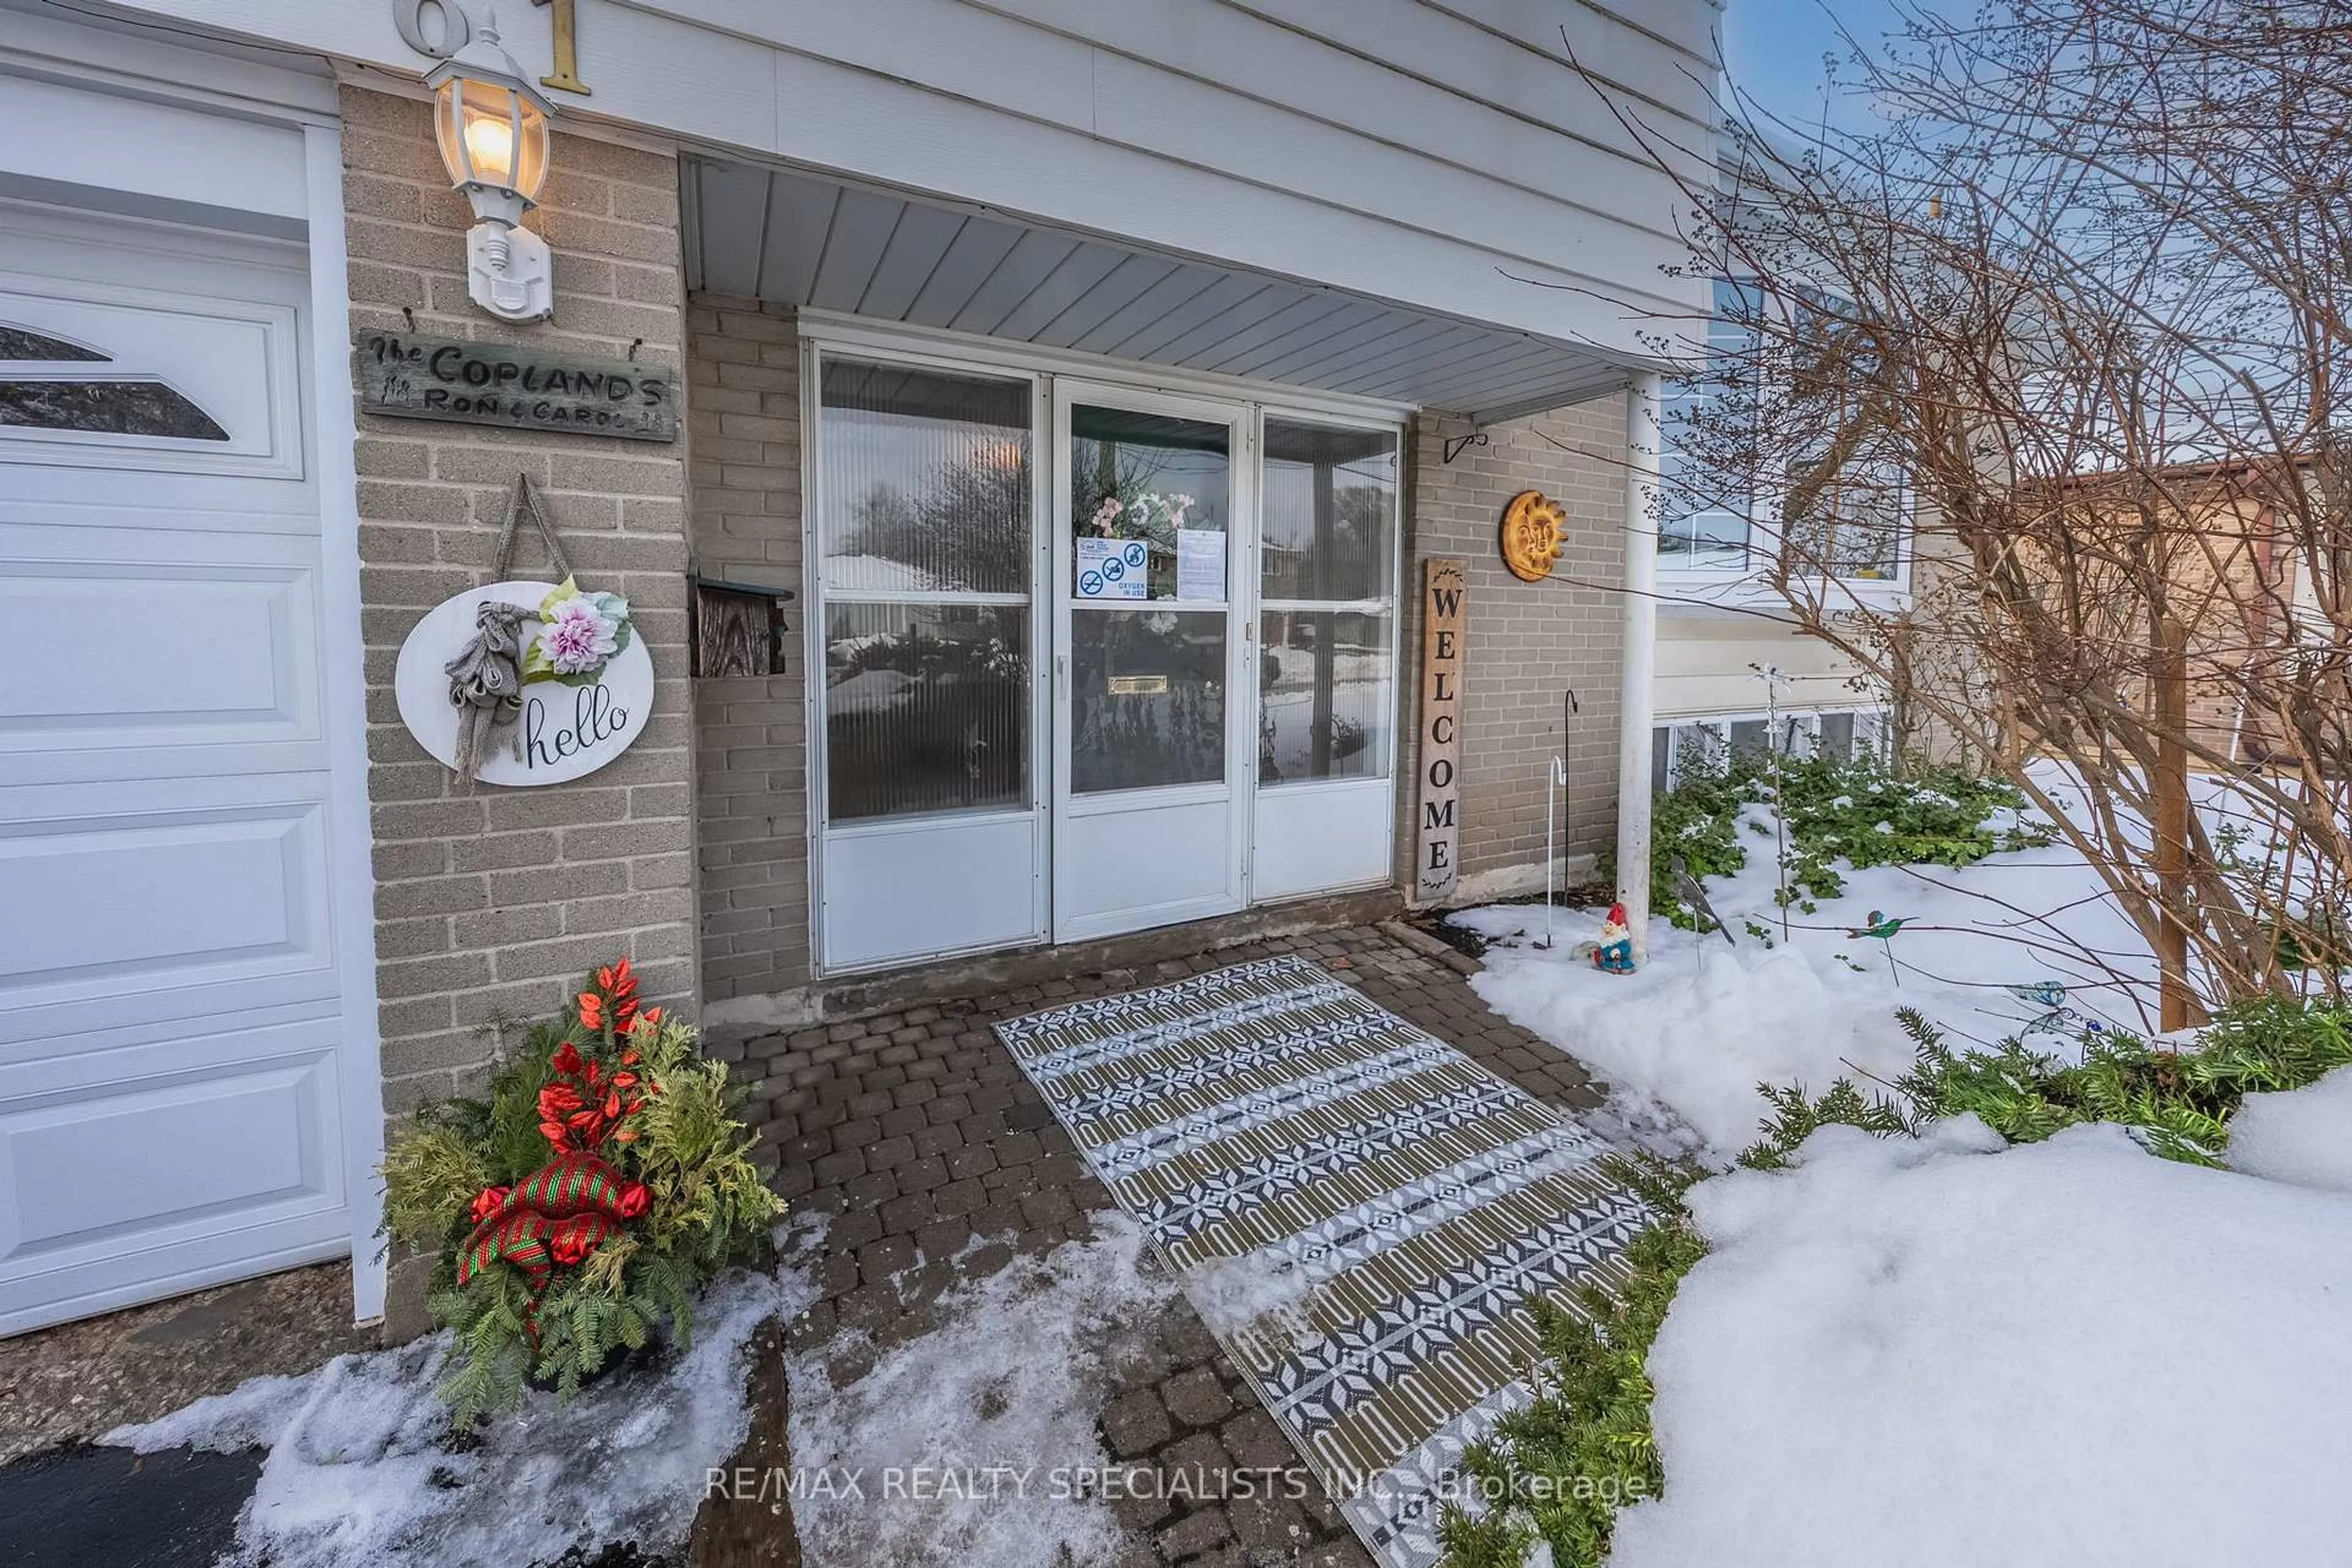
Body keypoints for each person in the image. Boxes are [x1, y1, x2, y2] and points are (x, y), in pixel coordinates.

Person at [1591, 902, 1636, 973]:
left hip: (1622, 961)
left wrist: (1619, 951)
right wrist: (1606, 953)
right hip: (1609, 962)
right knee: (1608, 964)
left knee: (1625, 965)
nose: (1607, 927)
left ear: (1621, 928)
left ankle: (1623, 970)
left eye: (1610, 925)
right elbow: (1604, 951)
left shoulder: (1621, 940)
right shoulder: (1606, 941)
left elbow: (1627, 949)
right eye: (1606, 924)